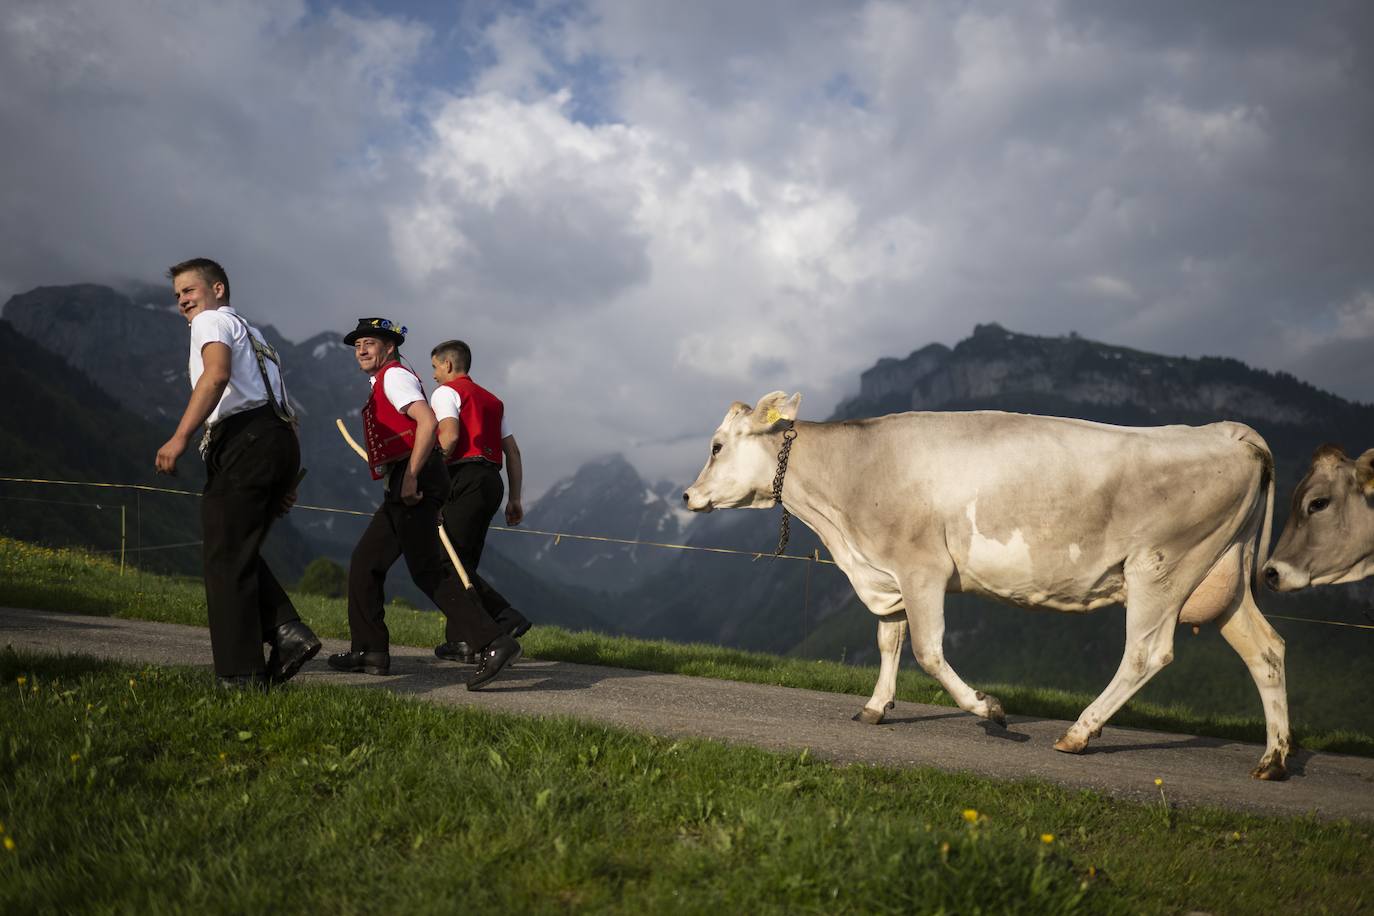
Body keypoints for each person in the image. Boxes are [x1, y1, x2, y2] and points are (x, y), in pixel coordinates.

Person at [155, 257, 321, 690]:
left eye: (189, 290)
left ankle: (241, 674)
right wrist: (285, 479)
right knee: (236, 548)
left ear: (218, 289)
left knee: (224, 553)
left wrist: (180, 437)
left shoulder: (210, 321)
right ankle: (286, 631)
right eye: (177, 295)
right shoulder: (256, 335)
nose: (182, 301)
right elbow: (284, 407)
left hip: (243, 439)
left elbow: (216, 376)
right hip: (277, 438)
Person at [328, 318, 520, 689]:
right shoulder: (386, 380)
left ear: (389, 348)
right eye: (357, 345)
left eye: (370, 343)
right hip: (407, 478)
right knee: (366, 561)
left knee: (429, 570)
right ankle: (369, 649)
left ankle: (494, 641)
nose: (361, 350)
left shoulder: (394, 377)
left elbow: (428, 423)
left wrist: (411, 475)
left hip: (414, 477)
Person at [428, 339, 532, 663]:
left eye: (434, 367)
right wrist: (515, 498)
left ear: (447, 365)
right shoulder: (493, 401)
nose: (433, 375)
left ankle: (504, 615)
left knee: (443, 561)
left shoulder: (446, 392)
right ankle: (461, 640)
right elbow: (513, 452)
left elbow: (449, 436)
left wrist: (426, 473)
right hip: (491, 482)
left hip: (463, 476)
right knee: (463, 561)